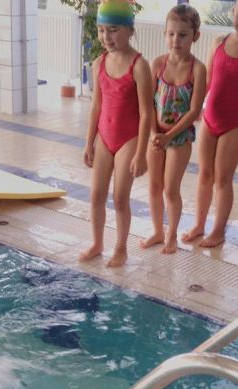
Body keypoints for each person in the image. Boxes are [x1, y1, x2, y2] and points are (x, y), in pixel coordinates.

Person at [180, 0, 238, 248]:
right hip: (211, 118)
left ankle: (218, 231)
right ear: (233, 13)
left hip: (235, 124)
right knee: (204, 174)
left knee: (222, 178)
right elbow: (208, 81)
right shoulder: (218, 43)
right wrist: (192, 110)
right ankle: (199, 224)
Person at [81, 0, 154, 268]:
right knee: (96, 195)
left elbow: (146, 113)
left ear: (130, 30)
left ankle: (121, 248)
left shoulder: (139, 65)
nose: (106, 37)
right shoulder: (98, 63)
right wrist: (88, 142)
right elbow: (96, 107)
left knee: (120, 198)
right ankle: (97, 243)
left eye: (113, 30)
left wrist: (141, 153)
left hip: (128, 140)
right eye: (102, 30)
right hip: (104, 138)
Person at [140, 3, 207, 255]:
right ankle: (157, 231)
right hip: (156, 135)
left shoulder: (197, 69)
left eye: (182, 35)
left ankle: (171, 235)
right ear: (165, 33)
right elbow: (147, 103)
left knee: (170, 189)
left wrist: (169, 136)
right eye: (171, 34)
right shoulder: (158, 64)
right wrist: (152, 134)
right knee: (153, 186)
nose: (175, 40)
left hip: (179, 138)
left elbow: (194, 111)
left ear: (195, 36)